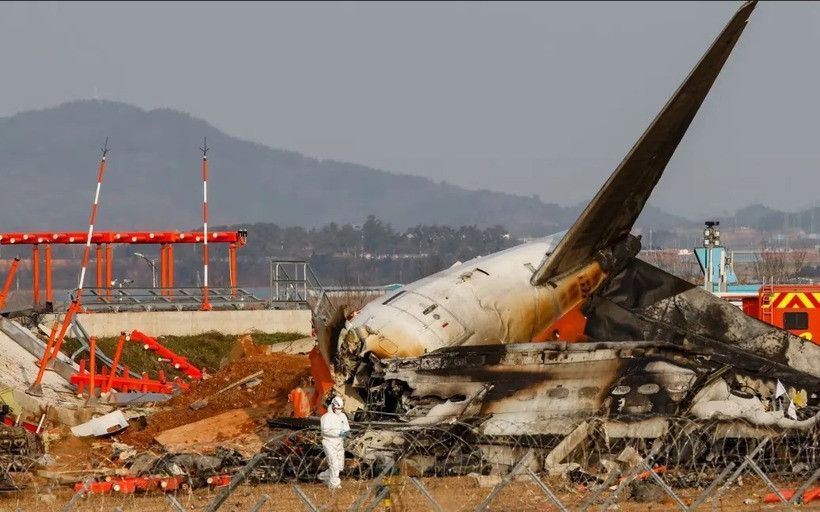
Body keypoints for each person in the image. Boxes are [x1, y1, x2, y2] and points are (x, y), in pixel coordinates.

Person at [318, 396, 350, 489]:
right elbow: (325, 431)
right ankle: (334, 485)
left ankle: (324, 476)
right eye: (337, 408)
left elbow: (346, 427)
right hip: (329, 443)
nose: (339, 410)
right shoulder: (326, 417)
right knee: (334, 464)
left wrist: (346, 432)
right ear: (332, 406)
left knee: (340, 466)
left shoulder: (343, 416)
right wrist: (339, 433)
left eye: (340, 408)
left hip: (339, 442)